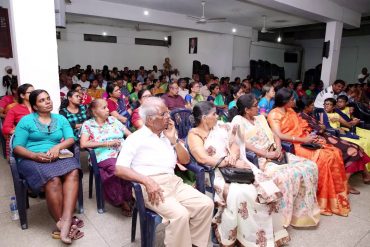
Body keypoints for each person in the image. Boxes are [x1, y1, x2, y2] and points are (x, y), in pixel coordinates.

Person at [114, 97, 213, 247]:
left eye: (168, 112)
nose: (169, 117)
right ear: (150, 120)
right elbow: (119, 169)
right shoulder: (135, 139)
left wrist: (174, 141)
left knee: (206, 204)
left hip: (173, 182)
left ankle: (196, 244)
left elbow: (185, 160)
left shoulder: (168, 135)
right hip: (150, 186)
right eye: (164, 114)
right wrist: (146, 181)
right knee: (180, 215)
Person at [188, 101, 290, 246]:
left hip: (236, 166)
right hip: (214, 172)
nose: (217, 117)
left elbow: (235, 143)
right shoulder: (195, 134)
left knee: (266, 187)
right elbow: (202, 158)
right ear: (204, 118)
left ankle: (264, 235)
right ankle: (243, 238)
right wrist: (227, 162)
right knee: (240, 194)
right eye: (214, 114)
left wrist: (234, 156)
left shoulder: (221, 127)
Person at [231, 94, 320, 227]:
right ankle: (282, 219)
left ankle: (302, 213)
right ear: (246, 110)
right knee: (286, 176)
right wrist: (267, 154)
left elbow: (275, 134)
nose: (259, 107)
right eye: (256, 106)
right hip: (260, 159)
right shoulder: (238, 121)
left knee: (310, 166)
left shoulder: (260, 118)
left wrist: (278, 150)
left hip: (276, 154)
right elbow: (241, 142)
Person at [12, 89, 83, 244]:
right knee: (53, 179)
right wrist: (35, 155)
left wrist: (58, 148)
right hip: (31, 157)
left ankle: (64, 222)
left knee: (74, 171)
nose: (48, 102)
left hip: (56, 154)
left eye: (48, 98)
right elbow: (17, 147)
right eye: (42, 100)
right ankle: (63, 223)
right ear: (35, 106)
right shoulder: (26, 121)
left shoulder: (60, 119)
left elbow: (70, 138)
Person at [267, 88, 350, 216]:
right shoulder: (274, 114)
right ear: (285, 101)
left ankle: (334, 195)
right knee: (324, 158)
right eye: (292, 99)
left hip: (303, 139)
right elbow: (279, 135)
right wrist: (303, 139)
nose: (294, 101)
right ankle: (323, 200)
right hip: (293, 145)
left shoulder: (290, 110)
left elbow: (301, 126)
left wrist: (311, 137)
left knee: (335, 152)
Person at [297, 98, 370, 194]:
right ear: (306, 107)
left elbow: (321, 126)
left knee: (357, 147)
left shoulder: (309, 115)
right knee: (353, 150)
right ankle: (346, 183)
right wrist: (321, 127)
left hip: (327, 135)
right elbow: (319, 129)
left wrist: (321, 127)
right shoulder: (302, 117)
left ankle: (365, 174)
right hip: (322, 138)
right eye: (311, 105)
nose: (313, 107)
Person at [80, 99, 133, 216]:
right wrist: (106, 143)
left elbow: (130, 135)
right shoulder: (88, 125)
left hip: (121, 151)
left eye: (107, 107)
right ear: (94, 111)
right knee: (116, 169)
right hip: (102, 154)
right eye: (103, 108)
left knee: (132, 164)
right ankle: (121, 200)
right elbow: (83, 144)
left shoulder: (113, 120)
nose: (108, 109)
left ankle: (130, 195)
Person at [2, 84, 34, 159]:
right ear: (22, 95)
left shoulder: (38, 107)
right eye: (30, 92)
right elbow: (6, 128)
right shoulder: (14, 110)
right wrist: (19, 131)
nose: (34, 94)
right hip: (24, 139)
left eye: (34, 91)